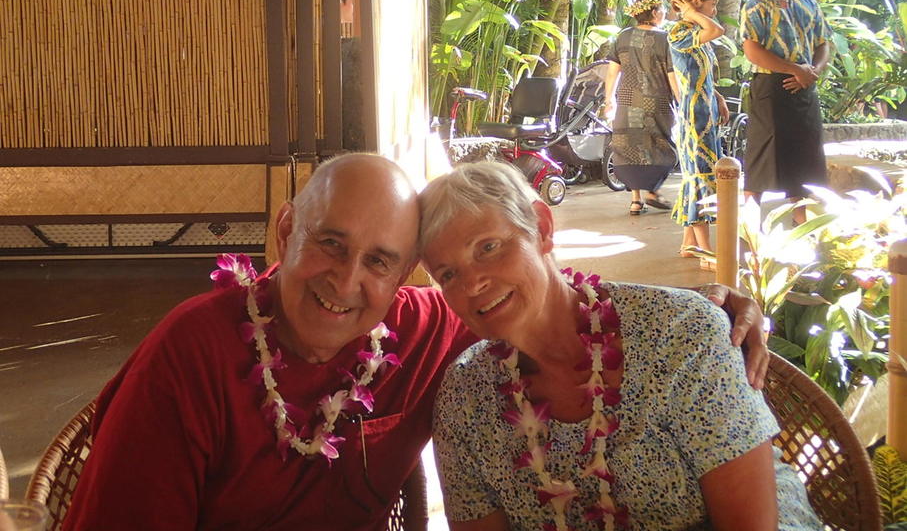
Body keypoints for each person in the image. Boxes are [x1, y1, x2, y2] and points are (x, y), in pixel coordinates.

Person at [62, 154, 766, 530]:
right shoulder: (191, 352)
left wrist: (704, 306)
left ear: (403, 277)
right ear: (285, 233)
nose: (345, 282)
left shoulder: (424, 325)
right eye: (328, 245)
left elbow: (533, 297)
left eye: (379, 261)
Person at [421, 161, 822, 531]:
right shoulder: (466, 397)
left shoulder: (679, 335)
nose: (472, 284)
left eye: (488, 247)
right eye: (448, 273)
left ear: (542, 228)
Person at [741, 0, 831, 226]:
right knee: (762, 155)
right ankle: (748, 229)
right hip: (771, 88)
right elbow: (752, 50)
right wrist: (794, 69)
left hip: (805, 86)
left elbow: (823, 43)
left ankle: (801, 225)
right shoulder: (756, 4)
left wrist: (812, 71)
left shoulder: (809, 4)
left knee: (806, 155)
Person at [667, 0, 730, 264]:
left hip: (706, 109)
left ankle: (689, 244)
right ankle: (705, 250)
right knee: (700, 174)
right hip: (693, 113)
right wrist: (688, 13)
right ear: (696, 2)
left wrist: (718, 97)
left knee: (701, 172)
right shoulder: (680, 30)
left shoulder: (695, 30)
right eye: (712, 4)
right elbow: (717, 30)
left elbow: (699, 72)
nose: (715, 9)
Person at [604, 0, 680, 216]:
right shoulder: (665, 38)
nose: (665, 13)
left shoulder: (623, 36)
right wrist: (682, 100)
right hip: (656, 101)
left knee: (630, 147)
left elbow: (612, 71)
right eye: (662, 9)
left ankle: (636, 200)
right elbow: (672, 73)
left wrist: (608, 100)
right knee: (660, 146)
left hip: (627, 100)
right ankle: (653, 191)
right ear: (654, 13)